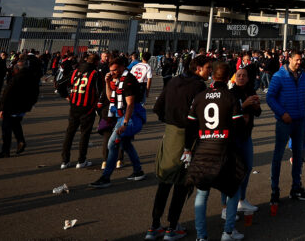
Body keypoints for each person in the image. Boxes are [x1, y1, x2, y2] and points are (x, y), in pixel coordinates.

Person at [147, 54, 211, 241]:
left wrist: (170, 121)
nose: (210, 72)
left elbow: (158, 107)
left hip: (170, 134)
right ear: (198, 68)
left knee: (164, 180)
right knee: (182, 183)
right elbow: (199, 116)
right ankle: (172, 226)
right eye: (208, 68)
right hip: (188, 137)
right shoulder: (199, 86)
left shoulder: (174, 81)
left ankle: (154, 225)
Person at [186, 60, 247, 241]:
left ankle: (201, 236)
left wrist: (188, 148)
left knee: (202, 192)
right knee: (232, 190)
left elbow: (190, 126)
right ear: (229, 77)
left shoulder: (200, 96)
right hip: (224, 149)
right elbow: (238, 126)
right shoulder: (230, 97)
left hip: (203, 148)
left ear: (212, 75)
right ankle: (228, 231)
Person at [265, 49, 305, 206]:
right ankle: (274, 191)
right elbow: (270, 97)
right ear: (289, 59)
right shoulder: (279, 76)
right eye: (297, 60)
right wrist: (282, 113)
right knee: (278, 156)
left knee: (298, 156)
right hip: (284, 121)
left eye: (301, 60)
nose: (299, 62)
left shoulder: (303, 75)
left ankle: (296, 188)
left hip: (300, 121)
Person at [90, 56, 147, 188]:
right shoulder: (118, 80)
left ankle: (106, 177)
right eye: (111, 70)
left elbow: (130, 104)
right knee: (125, 144)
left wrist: (125, 123)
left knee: (112, 144)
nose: (112, 73)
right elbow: (111, 97)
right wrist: (107, 82)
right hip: (124, 116)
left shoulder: (128, 81)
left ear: (122, 67)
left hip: (130, 117)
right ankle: (138, 171)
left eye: (115, 70)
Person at [223, 65, 261, 217]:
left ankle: (241, 199)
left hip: (246, 135)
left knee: (248, 167)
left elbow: (257, 113)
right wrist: (243, 105)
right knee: (232, 171)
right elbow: (227, 114)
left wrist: (256, 106)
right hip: (233, 137)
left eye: (244, 75)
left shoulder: (251, 91)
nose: (241, 78)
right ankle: (226, 205)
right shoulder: (231, 93)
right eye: (239, 75)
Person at [60, 52, 101, 169]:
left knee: (70, 133)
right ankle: (81, 160)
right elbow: (100, 91)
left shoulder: (75, 71)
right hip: (88, 107)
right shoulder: (95, 74)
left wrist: (67, 96)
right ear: (96, 62)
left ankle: (65, 160)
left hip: (74, 106)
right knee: (84, 134)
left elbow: (60, 83)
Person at [0, 60, 39, 158]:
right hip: (23, 107)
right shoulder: (32, 77)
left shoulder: (16, 78)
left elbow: (6, 94)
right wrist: (30, 104)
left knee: (6, 129)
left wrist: (1, 109)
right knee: (16, 124)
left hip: (11, 106)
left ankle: (6, 150)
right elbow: (36, 93)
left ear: (16, 70)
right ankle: (20, 140)